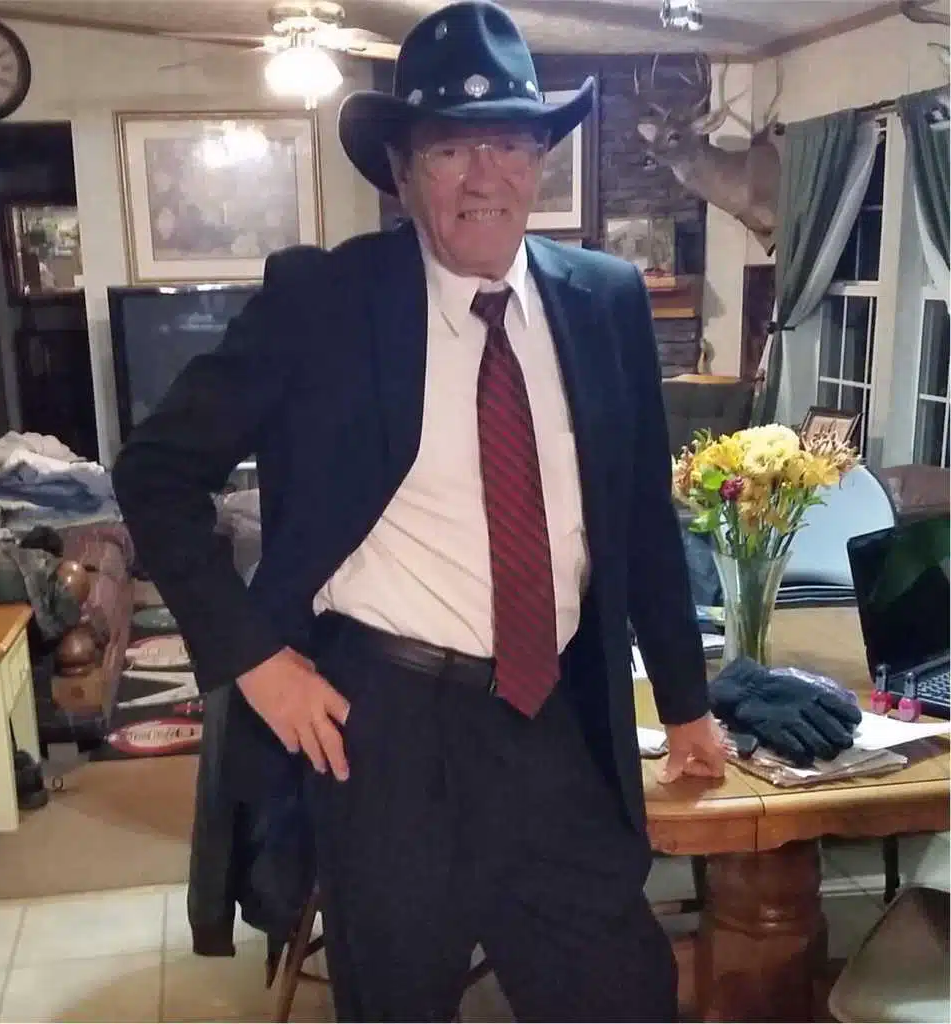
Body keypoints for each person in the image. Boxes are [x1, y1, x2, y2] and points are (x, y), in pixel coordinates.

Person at [113, 2, 726, 1019]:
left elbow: (639, 525)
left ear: (539, 160)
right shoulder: (323, 303)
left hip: (550, 715)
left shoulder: (606, 299)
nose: (485, 175)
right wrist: (256, 661)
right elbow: (155, 471)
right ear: (402, 173)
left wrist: (686, 700)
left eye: (510, 143)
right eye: (450, 148)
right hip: (385, 726)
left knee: (623, 990)